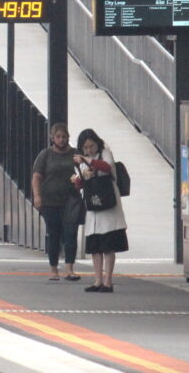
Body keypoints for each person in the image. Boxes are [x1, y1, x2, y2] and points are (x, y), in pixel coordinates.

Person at [71, 129, 126, 292]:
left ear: (97, 143)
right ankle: (97, 280)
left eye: (91, 146)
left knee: (108, 245)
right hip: (92, 207)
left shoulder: (105, 153)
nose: (89, 150)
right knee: (95, 248)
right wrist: (79, 179)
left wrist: (88, 161)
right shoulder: (80, 161)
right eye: (85, 148)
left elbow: (107, 168)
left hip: (108, 205)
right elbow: (80, 185)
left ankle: (108, 281)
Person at [32, 123, 81, 282]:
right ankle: (53, 268)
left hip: (71, 200)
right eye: (58, 137)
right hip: (50, 201)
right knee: (54, 234)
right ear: (52, 138)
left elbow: (84, 172)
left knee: (70, 233)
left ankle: (69, 268)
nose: (61, 140)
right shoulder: (45, 155)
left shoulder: (75, 154)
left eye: (64, 137)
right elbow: (37, 177)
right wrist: (37, 196)